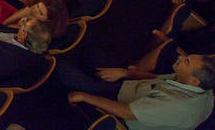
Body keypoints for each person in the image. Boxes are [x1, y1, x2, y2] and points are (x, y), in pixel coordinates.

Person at [61, 53, 214, 130]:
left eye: (186, 61)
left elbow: (127, 112)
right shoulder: (199, 86)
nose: (180, 57)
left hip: (124, 114)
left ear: (195, 81)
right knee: (90, 62)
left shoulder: (178, 106)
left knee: (75, 79)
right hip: (133, 90)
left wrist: (85, 97)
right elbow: (156, 78)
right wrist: (125, 73)